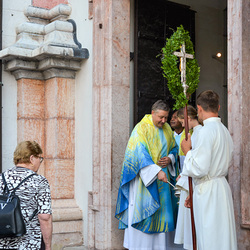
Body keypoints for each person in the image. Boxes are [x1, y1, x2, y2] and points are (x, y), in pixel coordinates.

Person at [115, 100, 183, 250]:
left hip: (163, 179)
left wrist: (170, 158)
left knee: (162, 216)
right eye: (161, 117)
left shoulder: (166, 129)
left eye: (166, 117)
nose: (164, 121)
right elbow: (138, 154)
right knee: (146, 213)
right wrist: (156, 170)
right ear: (152, 113)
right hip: (145, 181)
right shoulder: (141, 129)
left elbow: (174, 148)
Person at [181, 90, 237, 250]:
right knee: (222, 237)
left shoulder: (206, 132)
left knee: (210, 237)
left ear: (199, 108)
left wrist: (187, 151)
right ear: (218, 107)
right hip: (220, 188)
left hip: (208, 192)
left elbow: (200, 168)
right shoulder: (224, 131)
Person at [0, 141, 52, 250]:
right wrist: (47, 245)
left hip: (3, 241)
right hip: (30, 243)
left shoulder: (1, 178)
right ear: (32, 158)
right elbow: (44, 217)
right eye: (40, 158)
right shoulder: (39, 181)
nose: (40, 162)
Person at [174, 105, 202, 250]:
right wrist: (183, 173)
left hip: (195, 181)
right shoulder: (194, 133)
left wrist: (186, 173)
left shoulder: (198, 134)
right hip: (188, 177)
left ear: (189, 118)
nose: (183, 126)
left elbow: (196, 160)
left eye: (183, 122)